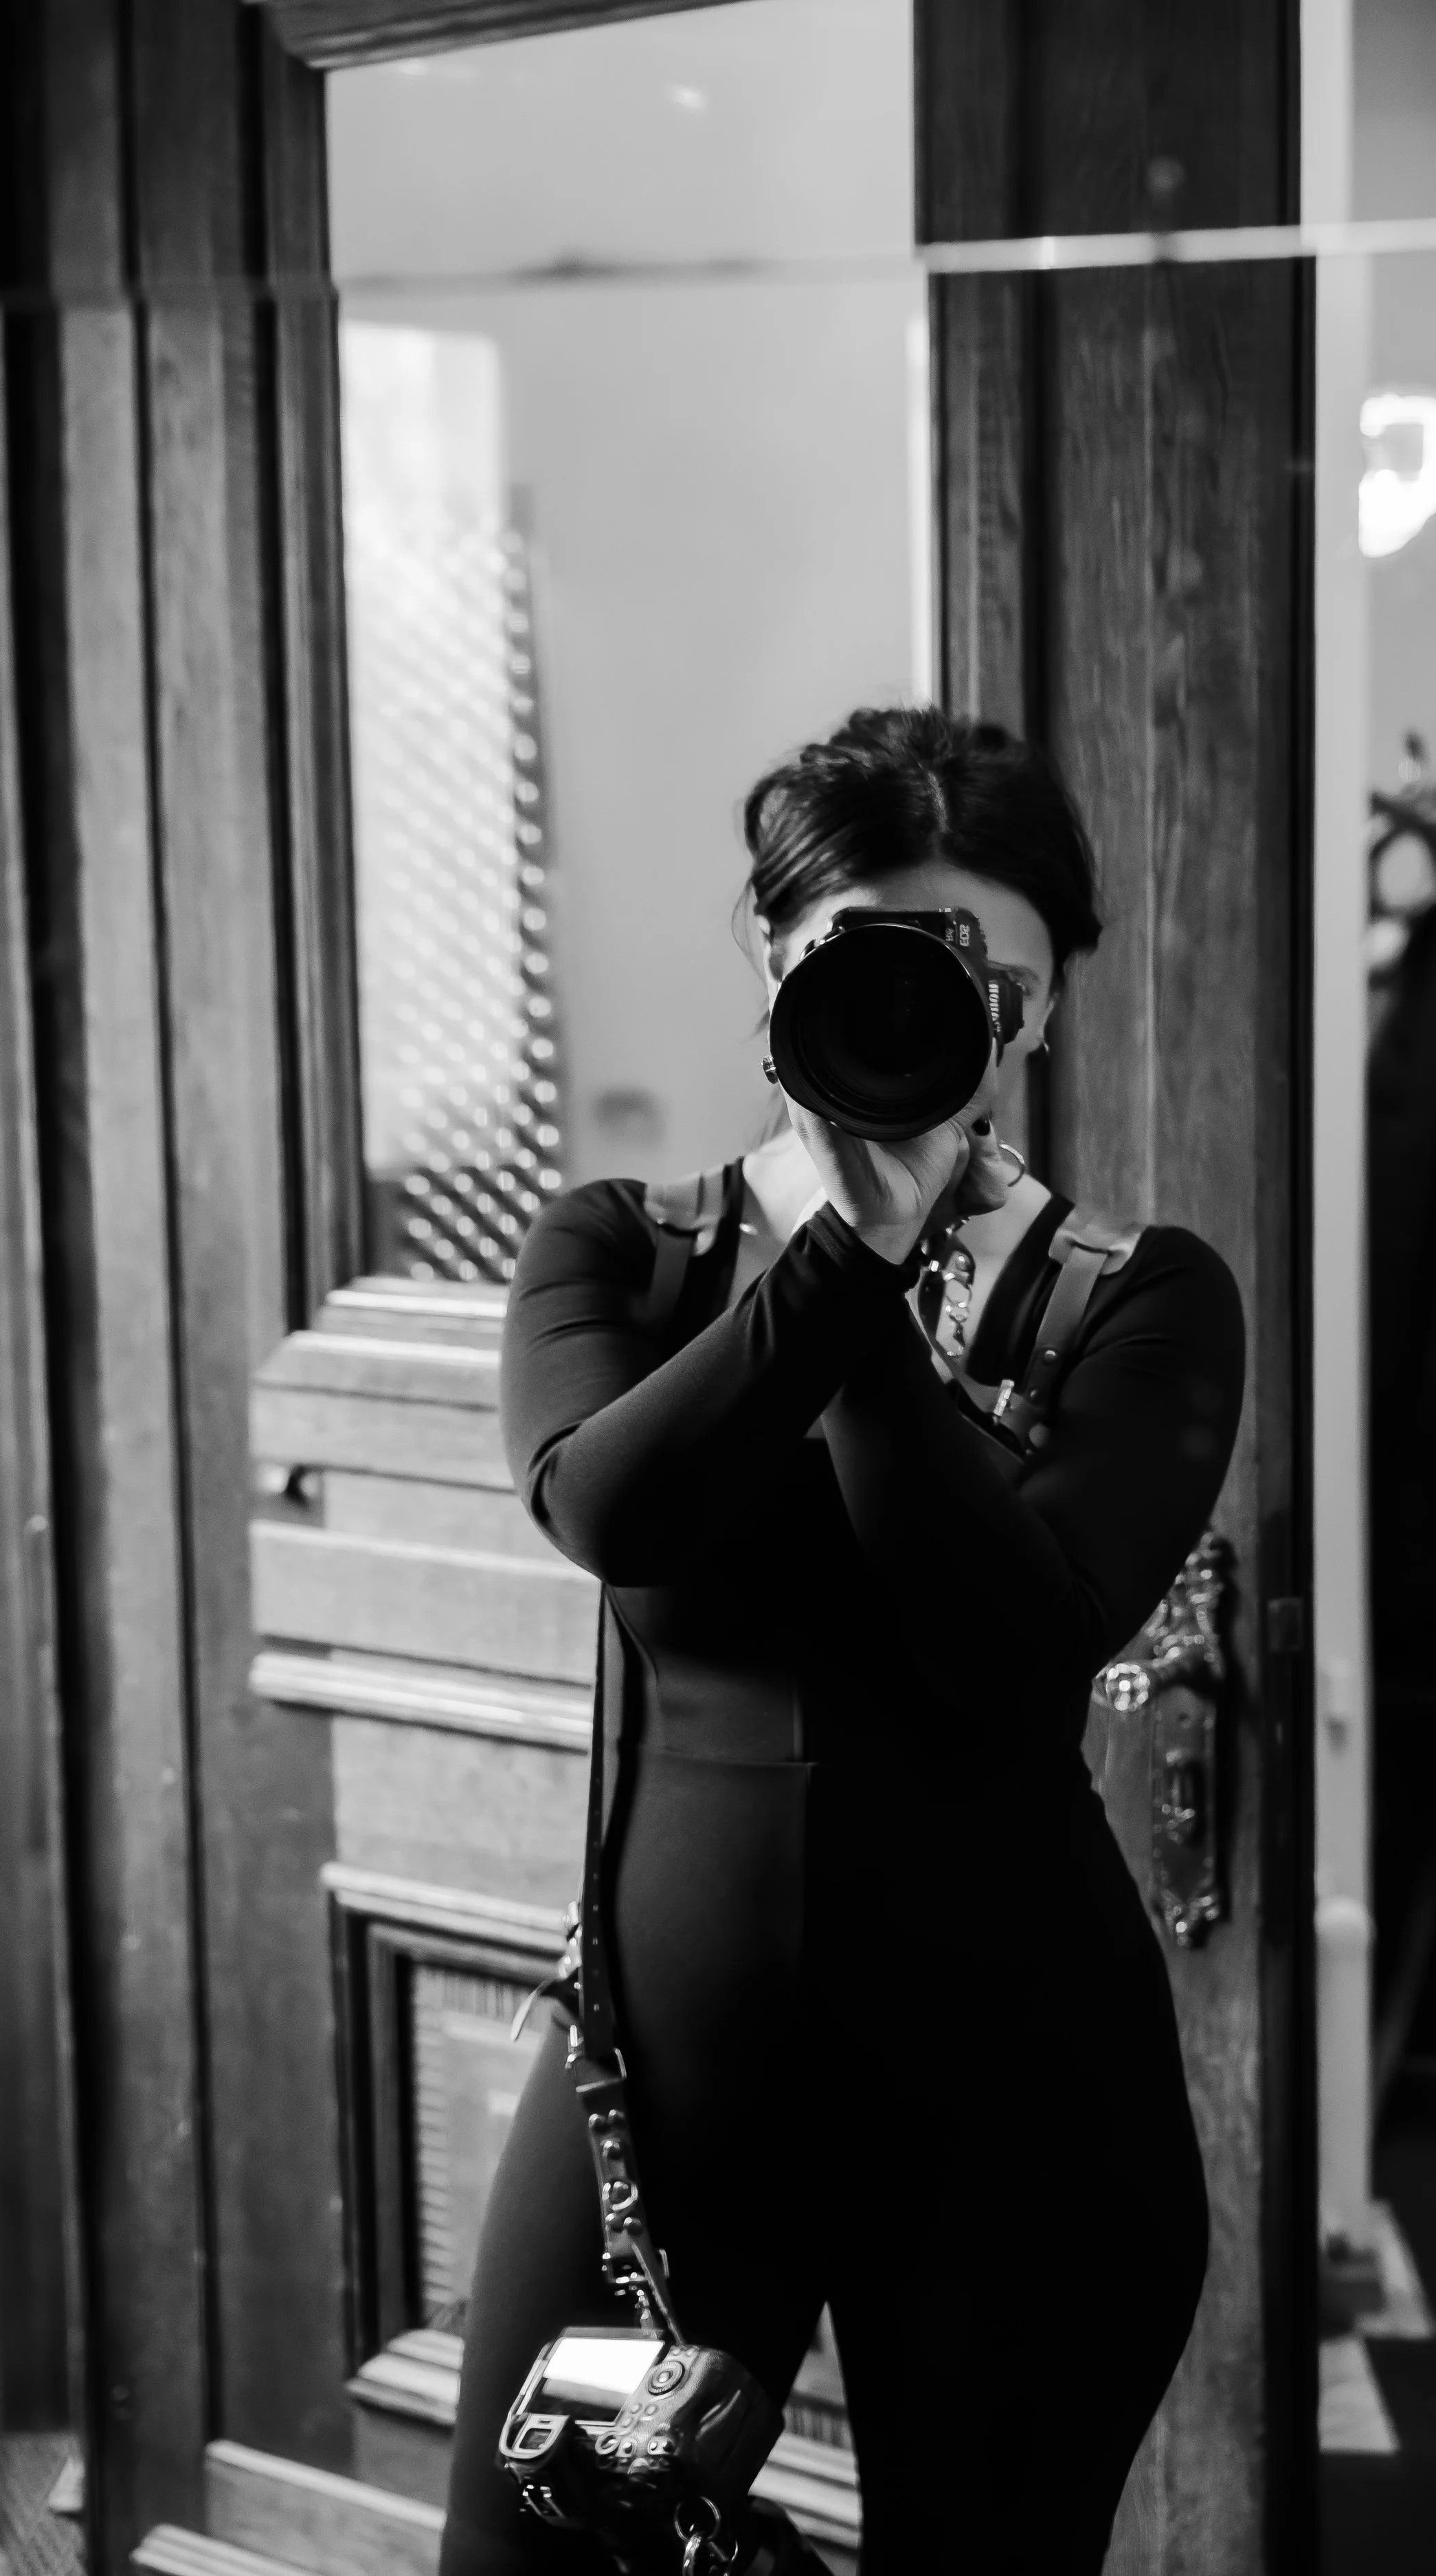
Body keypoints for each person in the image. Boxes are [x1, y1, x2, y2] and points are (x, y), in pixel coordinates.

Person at [439, 707, 1246, 2576]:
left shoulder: (1138, 1301)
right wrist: (835, 1259)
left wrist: (871, 1274)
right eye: (875, 959)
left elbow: (1012, 1638)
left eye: (992, 981)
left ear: (1038, 1012)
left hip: (1022, 2109)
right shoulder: (622, 1252)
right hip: (661, 2093)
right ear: (773, 962)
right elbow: (610, 1509)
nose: (934, 1016)